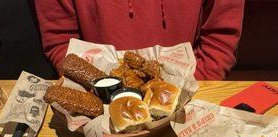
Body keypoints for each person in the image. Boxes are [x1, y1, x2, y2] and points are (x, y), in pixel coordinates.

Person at [34, 0, 244, 80]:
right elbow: (61, 41)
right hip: (99, 102)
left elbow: (219, 39)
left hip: (189, 97)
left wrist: (190, 93)